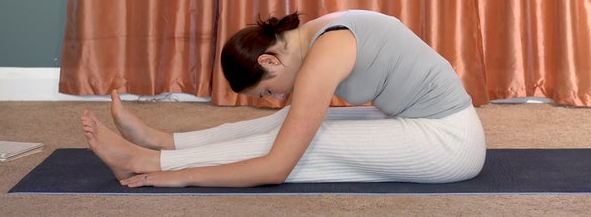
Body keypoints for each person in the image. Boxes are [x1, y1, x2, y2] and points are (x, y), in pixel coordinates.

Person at [80, 10, 486, 187]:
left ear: (270, 59)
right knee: (288, 125)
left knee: (297, 140)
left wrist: (181, 175)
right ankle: (164, 141)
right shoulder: (316, 34)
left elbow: (276, 167)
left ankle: (148, 161)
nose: (275, 97)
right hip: (425, 123)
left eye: (268, 89)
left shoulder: (325, 54)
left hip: (448, 143)